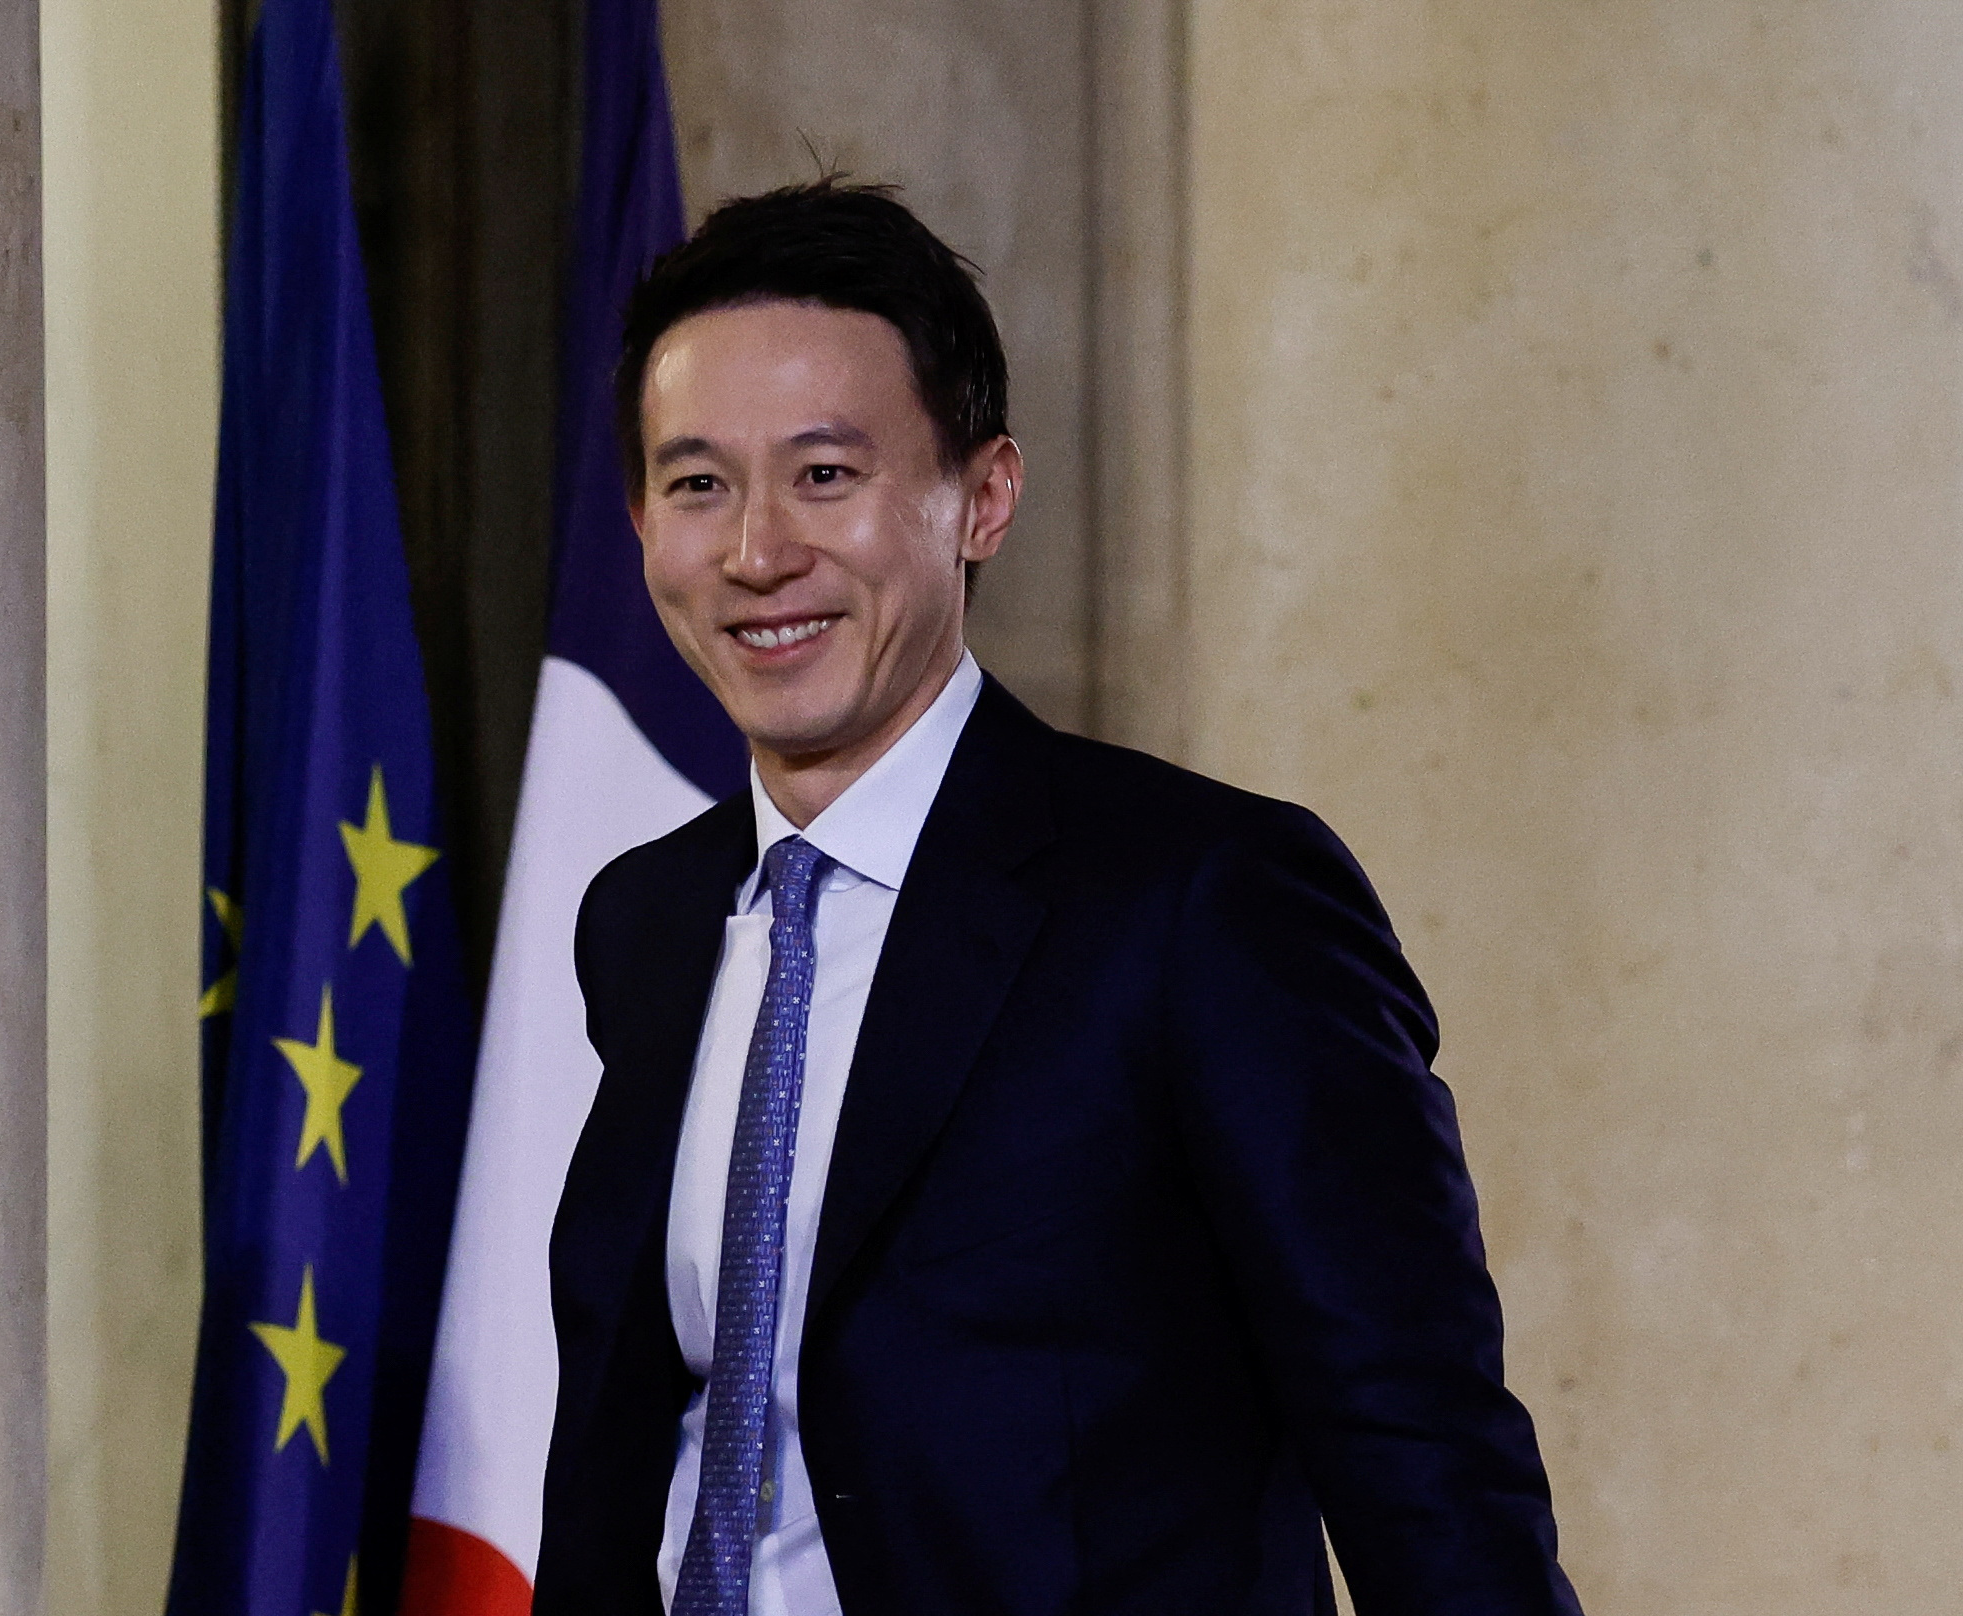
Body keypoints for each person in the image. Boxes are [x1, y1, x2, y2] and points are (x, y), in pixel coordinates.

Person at [537, 178, 1581, 1616]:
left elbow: (1425, 1460)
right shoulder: (644, 923)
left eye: (827, 475)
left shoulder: (1204, 903)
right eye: (698, 483)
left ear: (985, 497)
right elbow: (626, 1441)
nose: (757, 550)